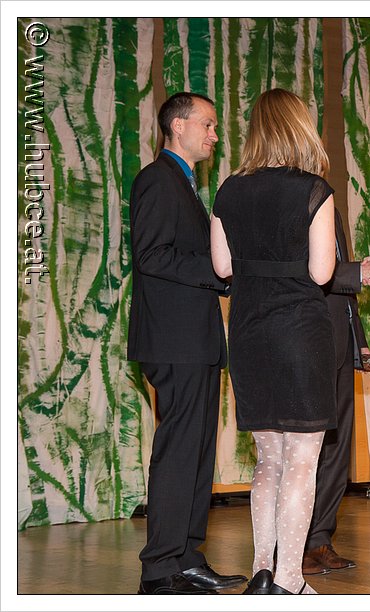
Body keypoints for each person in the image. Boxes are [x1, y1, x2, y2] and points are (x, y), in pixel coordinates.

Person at [210, 88, 338, 595]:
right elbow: (322, 272)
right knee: (302, 460)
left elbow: (222, 266)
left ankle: (263, 570)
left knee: (268, 460)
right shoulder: (313, 190)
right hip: (299, 333)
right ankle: (289, 579)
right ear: (298, 127)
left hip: (248, 333)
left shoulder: (228, 189)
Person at [128, 92, 247, 594]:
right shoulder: (157, 179)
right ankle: (160, 568)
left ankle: (186, 557)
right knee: (179, 453)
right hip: (173, 340)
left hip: (193, 341)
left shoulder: (184, 183)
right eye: (208, 124)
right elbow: (151, 255)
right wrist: (220, 273)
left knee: (197, 452)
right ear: (177, 125)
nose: (215, 134)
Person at [302, 209, 370, 575]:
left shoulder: (330, 207)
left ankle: (320, 539)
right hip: (306, 342)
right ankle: (294, 545)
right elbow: (304, 270)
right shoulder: (291, 200)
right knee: (305, 451)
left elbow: (339, 278)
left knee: (337, 450)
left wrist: (360, 342)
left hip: (340, 342)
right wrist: (357, 273)